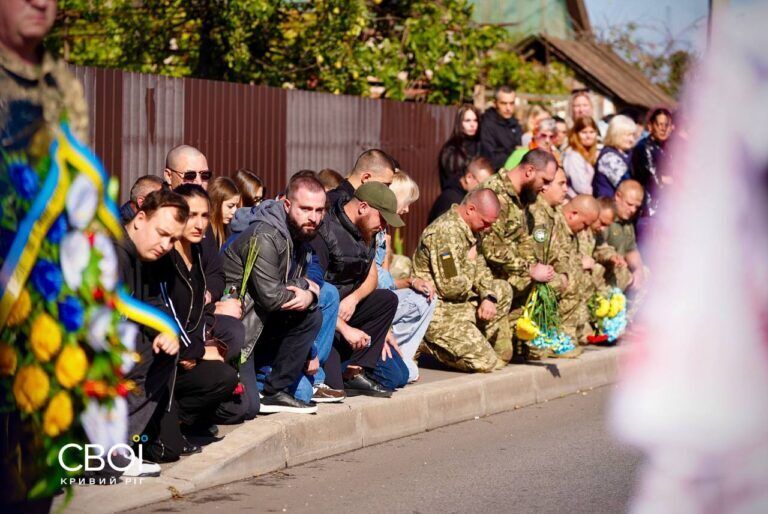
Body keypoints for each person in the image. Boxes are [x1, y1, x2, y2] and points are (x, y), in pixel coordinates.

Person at [223, 175, 327, 414]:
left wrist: (309, 294)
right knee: (247, 409)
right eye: (306, 209)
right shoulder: (266, 235)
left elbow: (305, 280)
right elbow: (271, 296)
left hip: (267, 324)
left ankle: (274, 390)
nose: (314, 217)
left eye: (319, 210)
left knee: (313, 314)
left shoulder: (301, 233)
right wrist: (307, 290)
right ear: (287, 205)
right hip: (242, 331)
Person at [157, 185, 243, 459]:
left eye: (204, 215)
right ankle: (158, 425)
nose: (198, 223)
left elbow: (211, 289)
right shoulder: (164, 255)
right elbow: (164, 309)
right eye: (190, 214)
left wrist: (198, 344)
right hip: (162, 359)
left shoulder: (200, 250)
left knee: (225, 378)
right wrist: (193, 350)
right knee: (168, 452)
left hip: (187, 353)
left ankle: (176, 420)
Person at [117, 190, 188, 476]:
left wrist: (166, 330)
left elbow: (153, 303)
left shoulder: (146, 258)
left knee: (161, 349)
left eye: (173, 239)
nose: (166, 245)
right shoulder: (110, 251)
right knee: (145, 348)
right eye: (162, 233)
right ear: (140, 218)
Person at [311, 182, 404, 397]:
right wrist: (344, 327)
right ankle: (338, 371)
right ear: (363, 208)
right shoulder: (326, 231)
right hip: (323, 322)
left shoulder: (366, 232)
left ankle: (356, 370)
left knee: (387, 299)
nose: (383, 226)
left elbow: (372, 277)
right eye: (382, 218)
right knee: (334, 389)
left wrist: (353, 299)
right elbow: (317, 297)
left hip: (345, 311)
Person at [413, 188, 512, 372]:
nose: (487, 228)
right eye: (485, 222)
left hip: (461, 303)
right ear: (471, 210)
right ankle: (424, 342)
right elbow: (450, 287)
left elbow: (482, 269)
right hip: (439, 309)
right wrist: (470, 262)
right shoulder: (444, 233)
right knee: (485, 362)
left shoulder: (472, 229)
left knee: (502, 289)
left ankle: (471, 339)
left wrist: (488, 297)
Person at [480, 149, 558, 360]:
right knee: (503, 355)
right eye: (546, 180)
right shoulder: (495, 193)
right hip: (488, 281)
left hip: (511, 277)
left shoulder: (522, 197)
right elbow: (491, 248)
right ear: (530, 170)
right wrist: (530, 269)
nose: (546, 188)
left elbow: (522, 240)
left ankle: (519, 335)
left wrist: (539, 268)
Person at [372, 172, 436, 386]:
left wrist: (411, 282)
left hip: (382, 300)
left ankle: (402, 353)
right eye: (406, 203)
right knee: (402, 375)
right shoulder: (373, 229)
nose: (407, 210)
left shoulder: (385, 230)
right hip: (371, 307)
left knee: (426, 297)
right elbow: (377, 287)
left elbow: (386, 281)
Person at [631, 107, 673, 242]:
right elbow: (653, 180)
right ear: (650, 126)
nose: (663, 128)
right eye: (659, 124)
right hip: (649, 210)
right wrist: (670, 180)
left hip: (665, 208)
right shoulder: (644, 147)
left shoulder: (666, 147)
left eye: (666, 125)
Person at [598, 180, 647, 292]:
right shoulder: (604, 218)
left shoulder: (628, 224)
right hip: (606, 267)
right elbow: (598, 248)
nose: (633, 210)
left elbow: (631, 251)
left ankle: (630, 309)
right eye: (629, 204)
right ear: (618, 196)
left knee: (645, 273)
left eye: (636, 207)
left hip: (620, 268)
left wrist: (638, 270)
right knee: (624, 276)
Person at [428, 156, 494, 223]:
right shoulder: (451, 200)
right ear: (469, 177)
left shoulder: (462, 197)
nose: (484, 192)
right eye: (481, 186)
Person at [327, 148, 398, 205]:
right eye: (385, 185)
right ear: (366, 178)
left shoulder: (353, 201)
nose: (387, 191)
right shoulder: (334, 204)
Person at [478, 86, 523, 171]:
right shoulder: (487, 124)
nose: (508, 108)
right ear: (495, 103)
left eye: (511, 103)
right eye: (503, 103)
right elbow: (489, 158)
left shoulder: (515, 124)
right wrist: (513, 151)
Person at [438, 104, 480, 190]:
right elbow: (450, 180)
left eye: (475, 120)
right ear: (459, 123)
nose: (472, 124)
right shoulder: (451, 149)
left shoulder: (480, 145)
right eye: (467, 120)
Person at [593, 115, 636, 198]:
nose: (631, 139)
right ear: (616, 134)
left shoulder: (627, 153)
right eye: (627, 135)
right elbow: (627, 186)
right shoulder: (609, 158)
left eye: (633, 135)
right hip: (608, 206)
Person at [562, 117, 600, 197]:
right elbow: (582, 188)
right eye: (584, 132)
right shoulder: (573, 155)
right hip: (577, 202)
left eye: (592, 132)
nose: (588, 136)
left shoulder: (592, 153)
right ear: (576, 134)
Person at [208, 176, 241, 248]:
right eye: (230, 206)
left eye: (236, 206)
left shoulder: (228, 229)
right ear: (216, 203)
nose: (234, 211)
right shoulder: (206, 231)